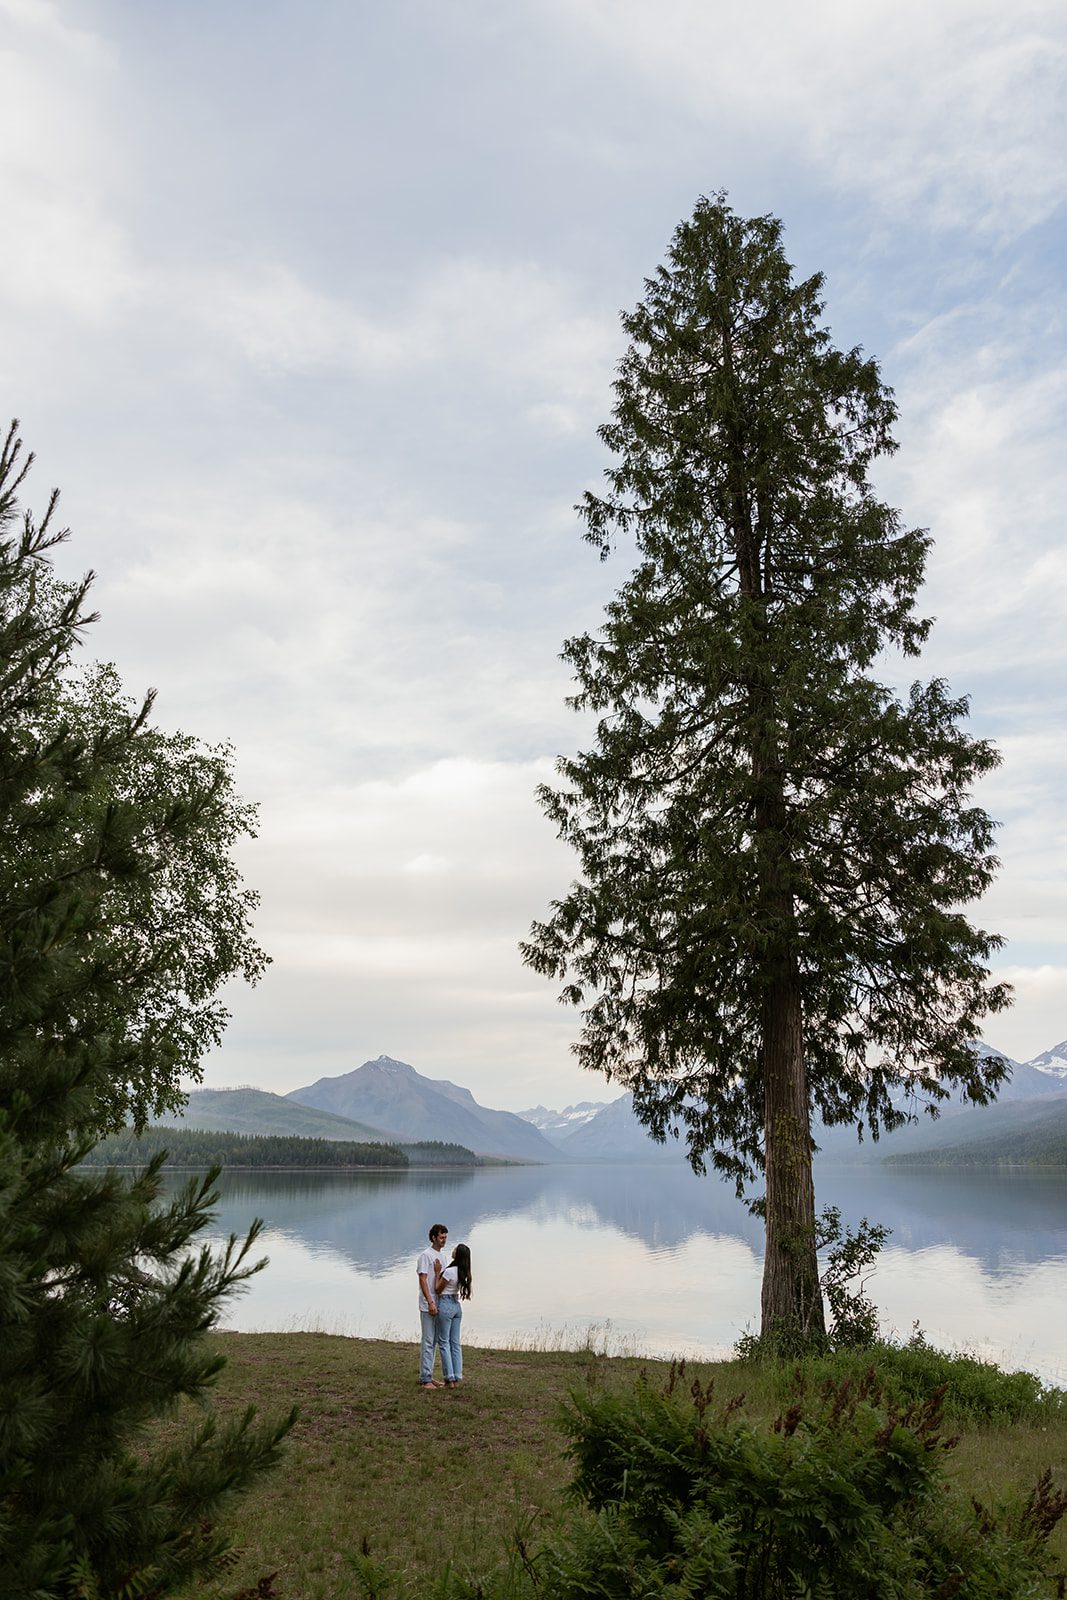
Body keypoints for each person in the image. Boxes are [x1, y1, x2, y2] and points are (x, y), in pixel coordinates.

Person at [434, 1242, 472, 1388]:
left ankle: (449, 1379)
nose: (453, 1250)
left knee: (443, 1342)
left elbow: (437, 1290)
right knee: (455, 1343)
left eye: (456, 1249)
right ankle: (456, 1375)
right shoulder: (463, 1272)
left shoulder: (449, 1272)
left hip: (446, 1304)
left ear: (458, 1254)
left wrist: (438, 1272)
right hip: (456, 1306)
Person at [416, 1223, 448, 1389]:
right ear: (433, 1237)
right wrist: (430, 1302)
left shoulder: (442, 1257)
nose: (444, 1240)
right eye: (441, 1237)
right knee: (428, 1340)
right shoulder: (425, 1256)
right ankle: (425, 1379)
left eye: (445, 1237)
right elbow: (422, 1279)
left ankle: (429, 1375)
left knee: (434, 1340)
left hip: (439, 1302)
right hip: (429, 1304)